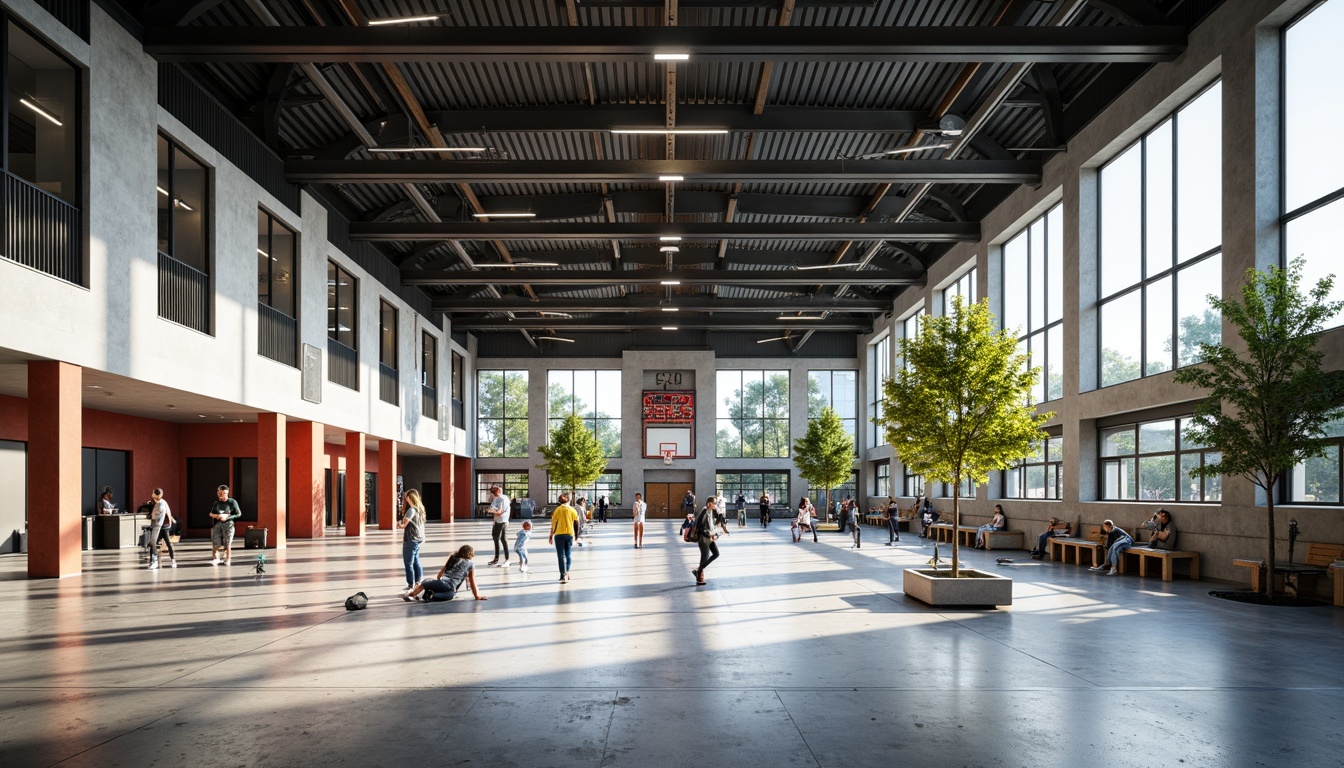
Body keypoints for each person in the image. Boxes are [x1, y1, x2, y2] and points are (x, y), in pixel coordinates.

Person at [406, 545, 486, 602]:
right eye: (472, 554)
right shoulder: (470, 565)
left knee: (426, 582)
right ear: (469, 554)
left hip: (442, 582)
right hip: (451, 588)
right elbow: (472, 582)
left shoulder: (453, 558)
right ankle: (433, 595)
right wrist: (477, 596)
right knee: (450, 595)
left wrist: (436, 581)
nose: (473, 556)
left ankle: (417, 594)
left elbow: (441, 573)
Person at [396, 488, 426, 592]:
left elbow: (404, 525)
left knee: (408, 562)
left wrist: (399, 524)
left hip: (411, 538)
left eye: (406, 498)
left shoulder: (412, 510)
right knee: (416, 560)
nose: (406, 500)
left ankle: (410, 584)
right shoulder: (421, 509)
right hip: (419, 537)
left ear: (410, 498)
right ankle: (418, 582)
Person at [549, 493, 580, 583]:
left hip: (559, 535)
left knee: (561, 556)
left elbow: (553, 524)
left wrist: (551, 535)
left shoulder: (557, 510)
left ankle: (563, 575)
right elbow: (576, 524)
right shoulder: (573, 510)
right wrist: (576, 536)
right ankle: (567, 572)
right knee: (568, 554)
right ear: (569, 500)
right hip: (569, 534)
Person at [209, 484, 242, 565]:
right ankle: (215, 558)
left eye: (222, 494)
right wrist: (217, 516)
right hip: (217, 524)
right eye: (218, 493)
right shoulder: (216, 503)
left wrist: (227, 517)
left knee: (227, 543)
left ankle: (227, 559)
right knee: (216, 543)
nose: (220, 496)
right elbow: (210, 513)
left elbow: (238, 514)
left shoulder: (232, 502)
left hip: (228, 524)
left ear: (226, 493)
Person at [144, 488, 176, 569]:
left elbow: (159, 514)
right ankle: (153, 561)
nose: (151, 494)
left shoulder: (161, 503)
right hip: (159, 525)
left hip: (162, 526)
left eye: (153, 493)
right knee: (153, 543)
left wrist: (152, 516)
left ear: (156, 495)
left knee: (161, 543)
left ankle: (172, 560)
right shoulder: (157, 502)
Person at [692, 497, 720, 586]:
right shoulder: (704, 511)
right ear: (709, 503)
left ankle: (698, 571)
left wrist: (720, 514)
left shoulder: (711, 511)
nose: (715, 505)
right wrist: (709, 536)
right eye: (714, 503)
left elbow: (714, 525)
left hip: (710, 537)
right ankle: (699, 577)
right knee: (704, 558)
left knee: (716, 554)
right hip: (703, 538)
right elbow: (699, 528)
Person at [486, 484, 511, 567]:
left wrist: (493, 511)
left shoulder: (503, 499)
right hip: (497, 521)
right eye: (493, 492)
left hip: (503, 521)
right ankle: (496, 559)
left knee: (503, 539)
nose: (494, 494)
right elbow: (490, 509)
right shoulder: (496, 499)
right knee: (495, 538)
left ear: (499, 491)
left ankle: (507, 560)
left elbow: (500, 511)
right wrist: (493, 511)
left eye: (495, 492)